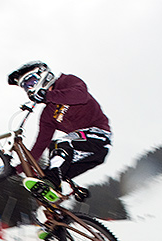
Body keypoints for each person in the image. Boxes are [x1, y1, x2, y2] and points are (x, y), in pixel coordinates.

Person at [7, 61, 112, 196]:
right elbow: (39, 146)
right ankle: (55, 210)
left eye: (31, 82)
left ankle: (53, 181)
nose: (30, 89)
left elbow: (81, 95)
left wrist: (48, 95)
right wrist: (17, 169)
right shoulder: (47, 115)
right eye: (26, 87)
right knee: (44, 170)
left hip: (98, 138)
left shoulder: (67, 81)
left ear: (43, 75)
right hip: (82, 156)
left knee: (59, 144)